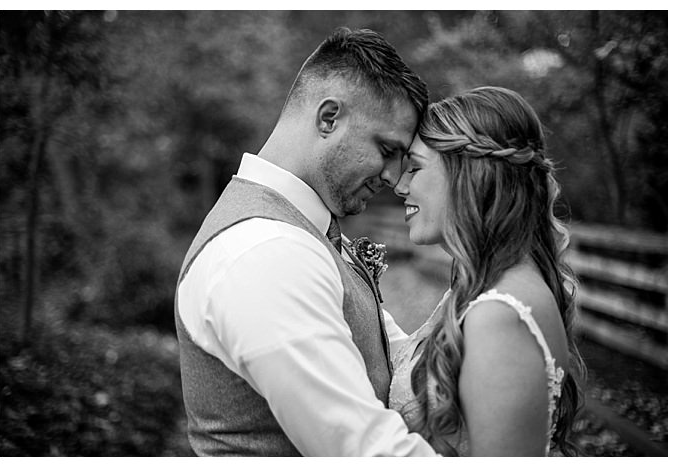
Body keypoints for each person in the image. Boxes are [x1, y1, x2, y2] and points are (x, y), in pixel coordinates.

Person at [174, 27, 438, 456]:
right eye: (387, 150)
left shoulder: (302, 233)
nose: (393, 177)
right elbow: (366, 451)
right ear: (328, 117)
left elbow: (395, 360)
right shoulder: (266, 253)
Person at [390, 86, 585, 456]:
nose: (401, 186)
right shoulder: (488, 289)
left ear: (469, 174)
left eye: (414, 167)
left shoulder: (499, 314)